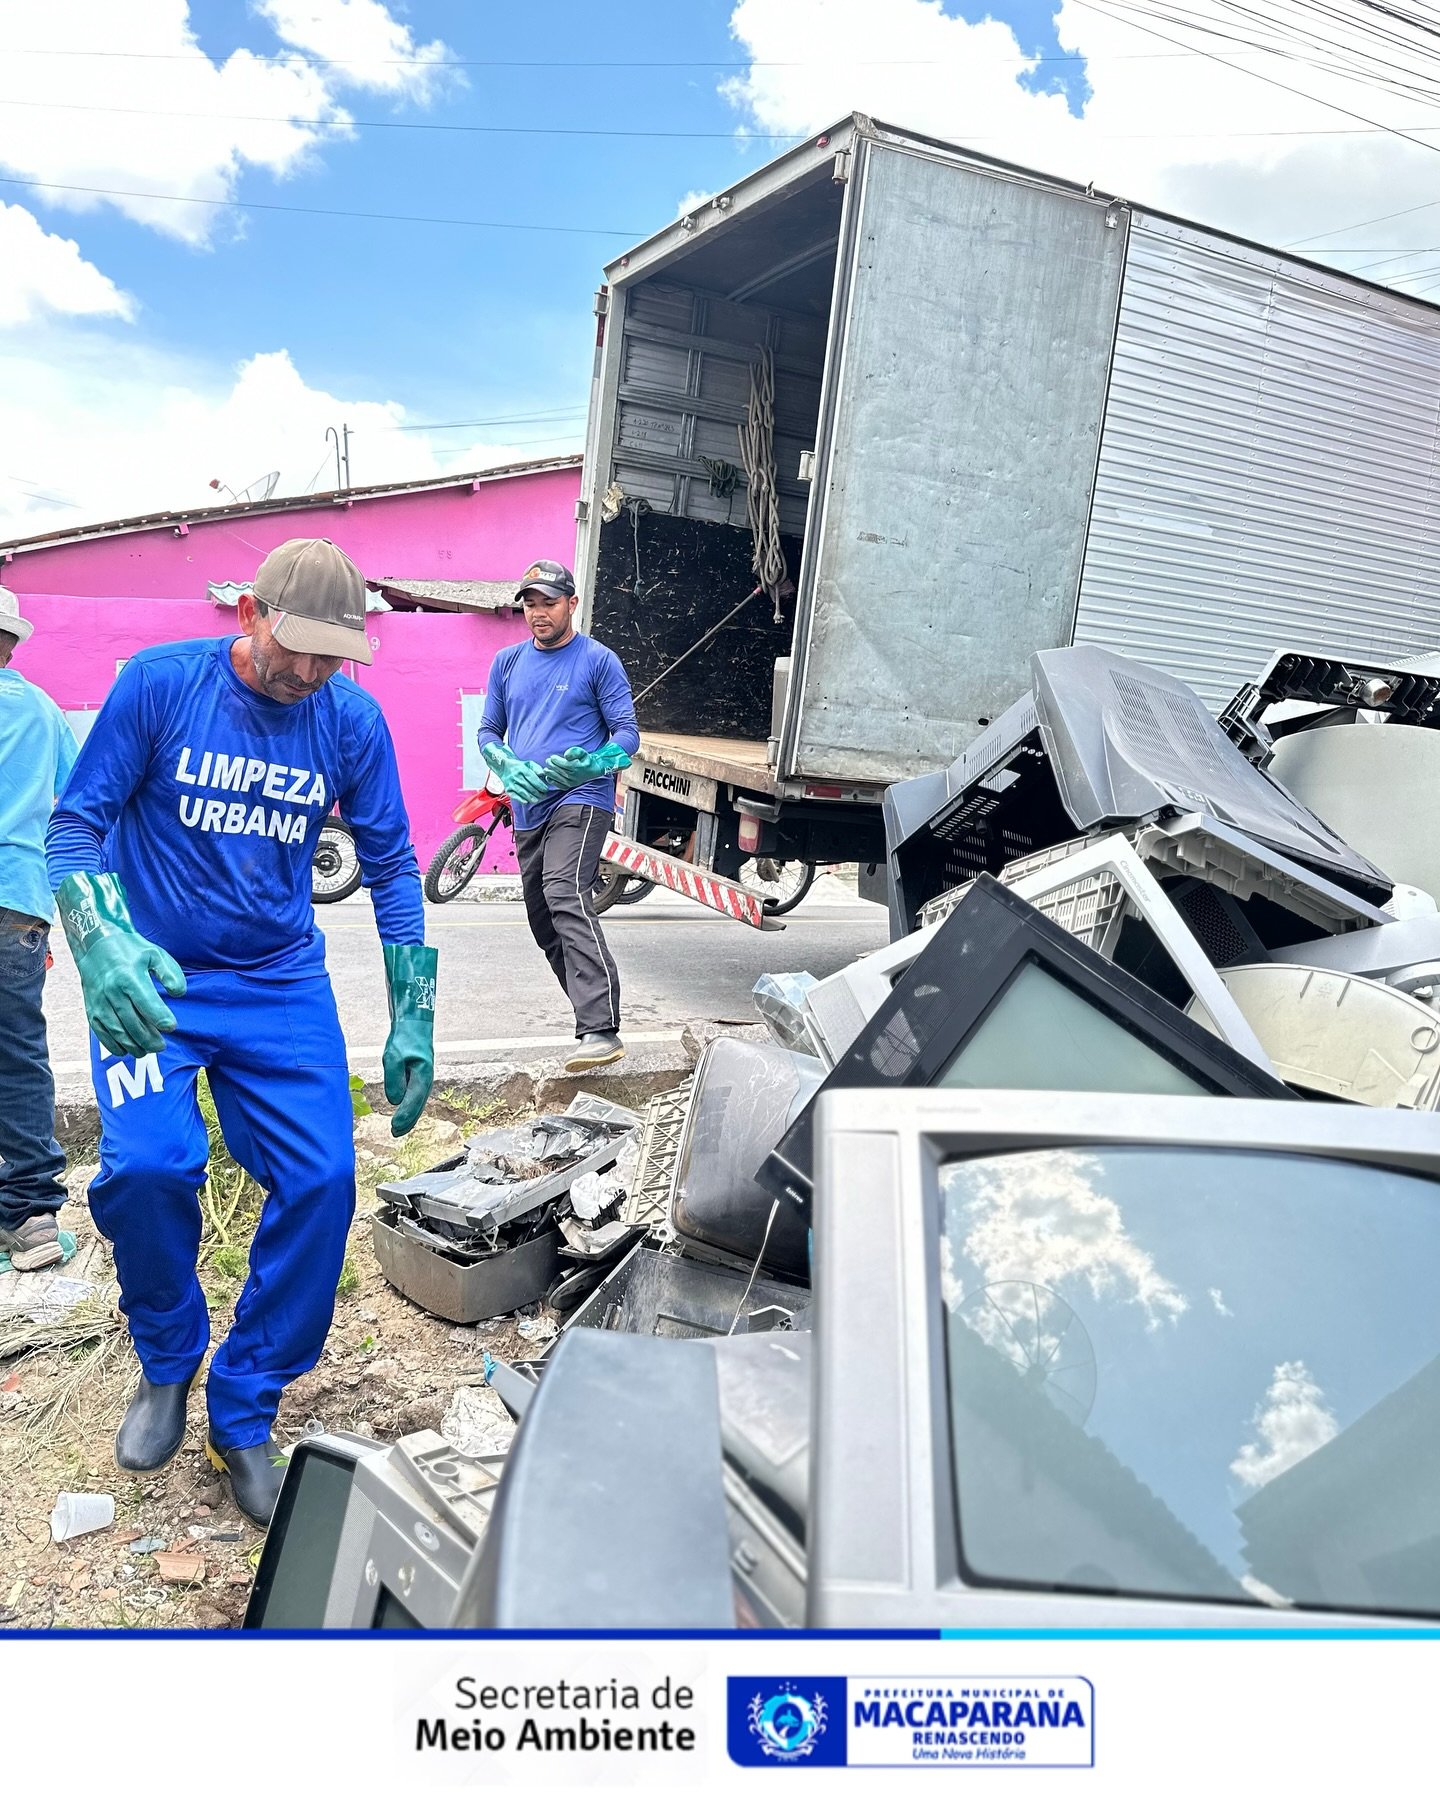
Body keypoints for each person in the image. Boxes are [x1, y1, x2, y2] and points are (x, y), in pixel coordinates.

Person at [46, 538, 437, 1528]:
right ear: (250, 611)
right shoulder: (159, 686)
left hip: (278, 984)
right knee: (146, 1170)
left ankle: (246, 1405)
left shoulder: (348, 720)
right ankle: (169, 1361)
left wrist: (414, 1010)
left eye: (331, 658)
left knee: (323, 1181)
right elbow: (75, 828)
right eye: (295, 647)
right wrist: (102, 947)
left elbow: (391, 863)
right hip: (154, 979)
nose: (308, 673)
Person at [478, 559, 639, 1072]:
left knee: (564, 889)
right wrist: (503, 762)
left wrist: (595, 763)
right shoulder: (506, 662)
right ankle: (589, 1019)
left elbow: (627, 735)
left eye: (549, 602)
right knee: (541, 916)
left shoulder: (598, 661)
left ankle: (600, 1028)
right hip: (528, 803)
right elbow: (488, 731)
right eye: (530, 602)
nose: (538, 612)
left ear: (571, 603)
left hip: (582, 797)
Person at [0, 588, 78, 1273]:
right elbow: (78, 808)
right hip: (17, 904)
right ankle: (29, 1217)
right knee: (18, 1053)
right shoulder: (46, 712)